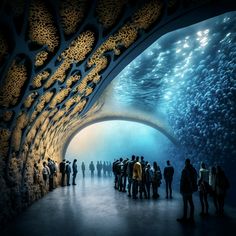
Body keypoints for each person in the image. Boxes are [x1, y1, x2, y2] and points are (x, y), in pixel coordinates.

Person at [177, 158, 197, 224]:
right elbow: (195, 178)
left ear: (185, 162)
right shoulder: (193, 169)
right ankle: (191, 218)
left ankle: (184, 218)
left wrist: (181, 189)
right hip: (190, 189)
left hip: (185, 189)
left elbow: (182, 180)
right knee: (191, 203)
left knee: (185, 204)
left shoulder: (185, 170)